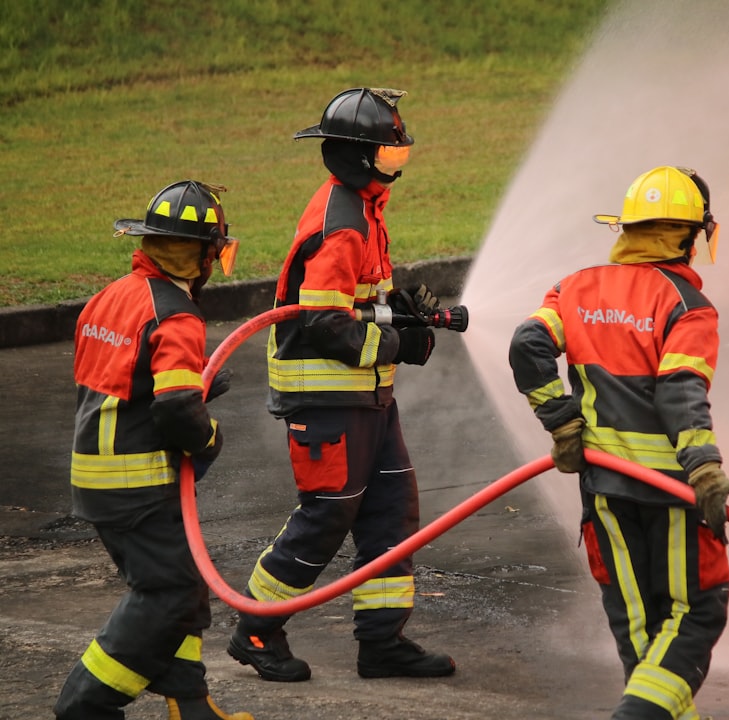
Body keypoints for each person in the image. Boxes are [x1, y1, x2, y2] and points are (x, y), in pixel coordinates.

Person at [226, 87, 455, 683]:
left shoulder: (363, 206)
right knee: (327, 516)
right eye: (388, 157)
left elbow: (357, 306)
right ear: (357, 156)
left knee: (390, 514)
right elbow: (326, 325)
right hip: (328, 396)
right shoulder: (343, 223)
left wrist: (400, 312)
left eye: (399, 157)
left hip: (368, 396)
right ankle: (254, 628)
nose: (395, 169)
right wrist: (404, 343)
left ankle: (382, 644)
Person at [508, 166, 729, 720]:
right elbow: (679, 392)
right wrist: (705, 467)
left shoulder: (574, 287)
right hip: (670, 492)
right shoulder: (687, 305)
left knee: (638, 620)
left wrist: (563, 423)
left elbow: (528, 345)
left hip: (605, 493)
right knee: (696, 610)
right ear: (691, 238)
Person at [55, 181, 250, 720]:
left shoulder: (110, 297)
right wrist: (208, 436)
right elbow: (174, 409)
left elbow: (128, 380)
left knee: (182, 588)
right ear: (207, 253)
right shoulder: (178, 315)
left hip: (96, 476)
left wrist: (191, 389)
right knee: (165, 596)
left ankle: (192, 707)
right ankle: (83, 704)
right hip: (137, 484)